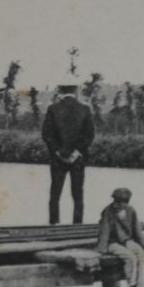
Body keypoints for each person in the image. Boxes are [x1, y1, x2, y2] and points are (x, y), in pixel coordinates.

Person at [42, 81, 95, 224]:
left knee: (55, 194)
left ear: (60, 90)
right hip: (78, 158)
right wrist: (76, 151)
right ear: (76, 90)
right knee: (78, 195)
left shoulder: (53, 109)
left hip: (57, 158)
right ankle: (77, 226)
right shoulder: (84, 109)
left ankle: (54, 225)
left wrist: (58, 152)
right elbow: (89, 135)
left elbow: (47, 134)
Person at [96, 187, 144, 287]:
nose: (117, 204)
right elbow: (104, 231)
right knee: (130, 258)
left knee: (142, 255)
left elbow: (137, 230)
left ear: (126, 202)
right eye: (116, 201)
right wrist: (102, 249)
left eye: (121, 202)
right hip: (112, 243)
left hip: (127, 241)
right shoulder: (108, 212)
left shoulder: (131, 211)